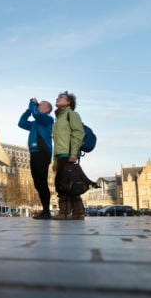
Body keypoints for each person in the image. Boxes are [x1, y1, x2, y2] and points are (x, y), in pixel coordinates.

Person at [52, 91, 86, 220]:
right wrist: (54, 161)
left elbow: (78, 133)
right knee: (66, 183)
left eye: (61, 97)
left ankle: (65, 212)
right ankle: (78, 213)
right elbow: (56, 142)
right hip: (60, 156)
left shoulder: (71, 114)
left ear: (68, 102)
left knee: (66, 184)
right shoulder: (58, 119)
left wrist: (74, 152)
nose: (57, 98)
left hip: (68, 154)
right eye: (58, 96)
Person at [18, 98, 54, 220]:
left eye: (41, 105)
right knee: (37, 183)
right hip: (34, 153)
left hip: (43, 152)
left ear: (47, 109)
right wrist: (28, 110)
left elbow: (37, 114)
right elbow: (21, 123)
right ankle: (45, 210)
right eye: (38, 105)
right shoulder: (35, 123)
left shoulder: (48, 119)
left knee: (42, 182)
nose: (38, 106)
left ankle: (46, 211)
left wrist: (32, 103)